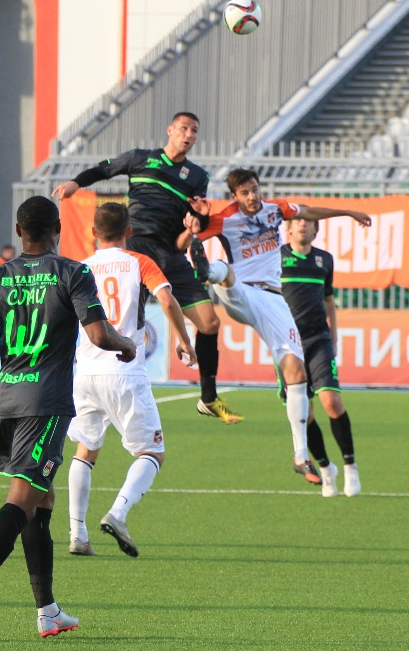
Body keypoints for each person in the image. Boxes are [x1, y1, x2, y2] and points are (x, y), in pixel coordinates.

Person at [0, 195, 135, 642]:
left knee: (41, 502)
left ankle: (48, 611)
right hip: (45, 402)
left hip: (8, 398)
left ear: (18, 229)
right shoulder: (72, 272)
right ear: (58, 229)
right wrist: (126, 345)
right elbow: (99, 334)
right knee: (21, 500)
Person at [53, 112, 242, 425]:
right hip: (137, 247)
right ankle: (106, 384)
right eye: (184, 128)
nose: (189, 135)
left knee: (209, 323)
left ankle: (208, 398)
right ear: (170, 130)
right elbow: (105, 168)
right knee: (127, 321)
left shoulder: (197, 176)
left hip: (171, 253)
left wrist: (199, 219)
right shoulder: (140, 159)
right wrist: (76, 182)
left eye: (194, 131)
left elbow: (193, 225)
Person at [188, 169, 371, 485]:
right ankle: (207, 271)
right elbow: (187, 238)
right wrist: (196, 223)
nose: (252, 197)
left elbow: (310, 211)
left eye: (255, 189)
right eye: (245, 193)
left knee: (296, 372)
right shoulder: (224, 218)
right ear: (234, 196)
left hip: (274, 300)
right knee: (225, 272)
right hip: (241, 292)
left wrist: (348, 212)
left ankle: (301, 456)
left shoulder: (276, 210)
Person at [64, 203, 196, 558]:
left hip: (85, 373)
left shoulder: (80, 267)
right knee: (152, 452)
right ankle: (118, 514)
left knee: (85, 449)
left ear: (94, 232)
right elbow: (167, 300)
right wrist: (185, 341)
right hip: (124, 370)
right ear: (128, 231)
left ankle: (78, 534)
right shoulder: (139, 262)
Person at [279, 218, 360, 498]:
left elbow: (328, 300)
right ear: (289, 229)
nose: (303, 225)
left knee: (332, 402)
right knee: (306, 413)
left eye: (309, 222)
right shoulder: (276, 258)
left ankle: (350, 466)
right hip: (288, 344)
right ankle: (326, 469)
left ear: (316, 230)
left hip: (319, 340)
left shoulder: (324, 260)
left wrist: (334, 337)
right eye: (297, 221)